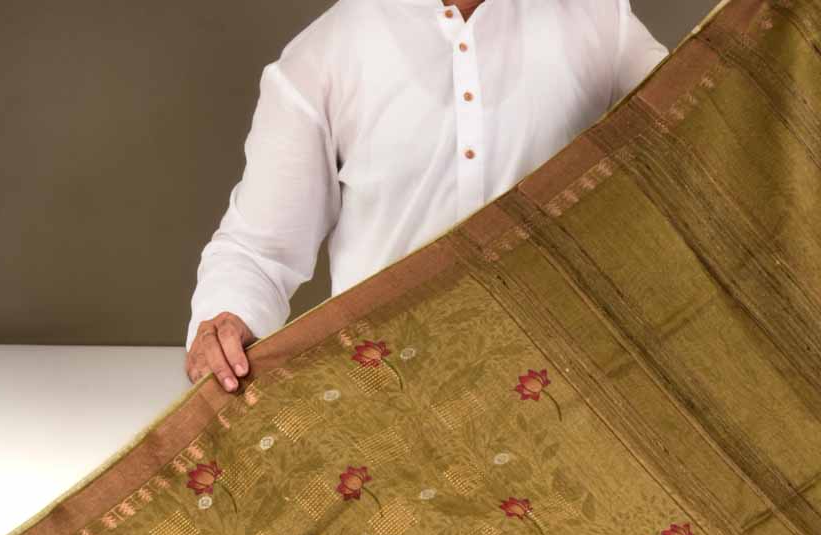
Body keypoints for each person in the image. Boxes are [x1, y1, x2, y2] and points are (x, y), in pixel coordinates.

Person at [185, 0, 668, 391]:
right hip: (388, 395)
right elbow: (259, 251)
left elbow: (692, 130)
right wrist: (226, 319)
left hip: (571, 387)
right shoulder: (324, 56)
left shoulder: (599, 19)